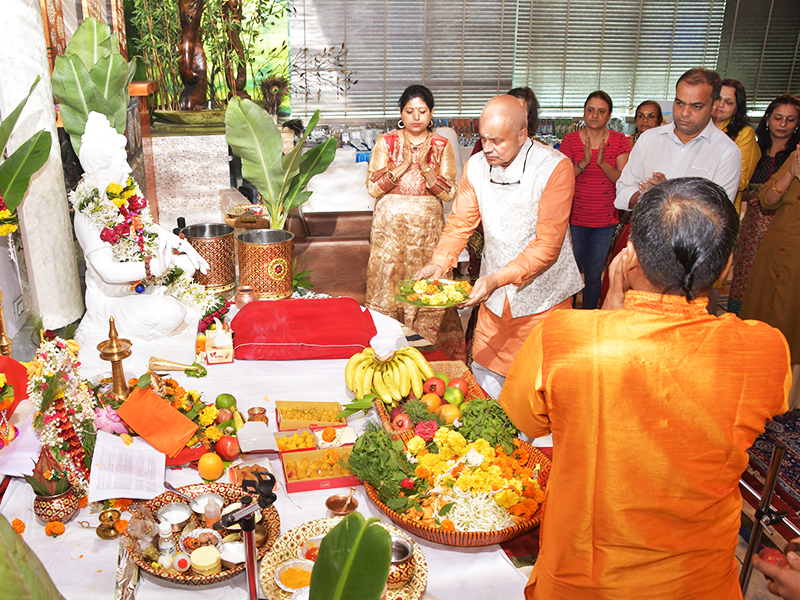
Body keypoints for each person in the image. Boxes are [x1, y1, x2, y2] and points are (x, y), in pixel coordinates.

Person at [499, 177, 791, 600]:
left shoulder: (563, 339)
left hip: (584, 581)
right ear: (727, 267)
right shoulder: (764, 350)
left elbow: (519, 421)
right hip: (701, 583)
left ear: (629, 255)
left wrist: (609, 312)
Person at [416, 95, 583, 397]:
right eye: (483, 138)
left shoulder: (555, 167)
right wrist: (439, 262)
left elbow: (547, 246)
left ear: (522, 135)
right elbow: (459, 223)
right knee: (485, 378)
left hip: (543, 301)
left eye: (497, 141)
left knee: (536, 390)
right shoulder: (477, 166)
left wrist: (496, 279)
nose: (488, 148)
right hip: (494, 301)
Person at [614, 67, 742, 313]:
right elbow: (621, 192)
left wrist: (665, 197)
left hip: (690, 267)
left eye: (696, 106)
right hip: (642, 258)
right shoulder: (650, 139)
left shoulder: (726, 152)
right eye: (679, 102)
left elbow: (717, 218)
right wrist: (644, 197)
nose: (684, 113)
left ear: (715, 105)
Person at [72, 112, 209, 340]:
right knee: (172, 313)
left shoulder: (120, 193)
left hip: (141, 283)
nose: (127, 170)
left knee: (185, 265)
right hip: (114, 300)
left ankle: (156, 295)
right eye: (120, 163)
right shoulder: (88, 211)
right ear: (101, 168)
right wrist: (152, 268)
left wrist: (181, 244)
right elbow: (107, 271)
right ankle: (154, 305)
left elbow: (143, 226)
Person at [365, 85, 465, 361]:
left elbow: (448, 193)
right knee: (389, 285)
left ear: (431, 114)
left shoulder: (441, 145)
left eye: (422, 111)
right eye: (410, 111)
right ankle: (387, 351)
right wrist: (402, 165)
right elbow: (373, 189)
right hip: (390, 234)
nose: (416, 117)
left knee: (427, 285)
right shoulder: (386, 142)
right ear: (401, 113)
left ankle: (428, 354)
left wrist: (425, 169)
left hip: (427, 233)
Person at [728, 94, 800, 315]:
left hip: (783, 225)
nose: (783, 124)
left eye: (790, 119)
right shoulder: (754, 149)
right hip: (753, 222)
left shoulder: (794, 155)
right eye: (778, 118)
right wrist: (757, 194)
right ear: (767, 118)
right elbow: (739, 184)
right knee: (745, 278)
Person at [740, 144, 800, 408]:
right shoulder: (796, 157)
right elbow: (766, 199)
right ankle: (754, 384)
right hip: (776, 246)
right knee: (762, 308)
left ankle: (786, 395)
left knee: (790, 314)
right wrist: (791, 174)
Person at [559, 91, 630, 308]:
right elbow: (561, 180)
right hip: (575, 219)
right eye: (590, 110)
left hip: (605, 220)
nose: (595, 115)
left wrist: (603, 165)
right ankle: (567, 317)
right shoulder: (570, 140)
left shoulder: (619, 141)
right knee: (571, 274)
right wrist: (582, 164)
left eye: (601, 111)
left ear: (609, 116)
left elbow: (623, 180)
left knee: (593, 276)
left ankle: (590, 318)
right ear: (584, 113)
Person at [712, 79, 761, 213]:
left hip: (722, 209)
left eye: (729, 102)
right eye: (717, 98)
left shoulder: (744, 134)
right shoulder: (696, 127)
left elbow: (742, 180)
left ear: (736, 109)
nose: (720, 105)